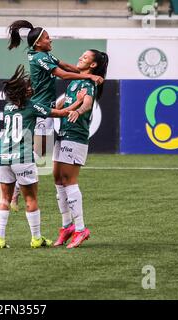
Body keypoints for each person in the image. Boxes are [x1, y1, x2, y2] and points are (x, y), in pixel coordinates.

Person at [7, 20, 104, 212]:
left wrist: (85, 69)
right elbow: (63, 75)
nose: (50, 39)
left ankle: (15, 187)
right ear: (38, 43)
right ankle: (14, 189)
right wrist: (89, 76)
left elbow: (67, 66)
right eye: (46, 37)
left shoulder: (45, 54)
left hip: (46, 106)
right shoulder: (39, 58)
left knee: (39, 153)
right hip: (42, 108)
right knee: (37, 153)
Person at [0, 64, 86, 249]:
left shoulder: (7, 108)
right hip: (22, 157)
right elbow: (60, 113)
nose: (32, 88)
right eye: (28, 87)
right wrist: (78, 102)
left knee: (3, 199)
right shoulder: (31, 106)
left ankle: (0, 239)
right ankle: (36, 238)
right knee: (31, 200)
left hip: (3, 156)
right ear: (23, 92)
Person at [52, 49, 109, 249]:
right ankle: (66, 226)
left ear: (93, 65)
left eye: (85, 57)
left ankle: (81, 229)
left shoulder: (89, 82)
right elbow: (64, 100)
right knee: (58, 179)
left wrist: (78, 110)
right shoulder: (76, 79)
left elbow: (87, 102)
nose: (80, 58)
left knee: (69, 180)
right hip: (63, 133)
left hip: (76, 136)